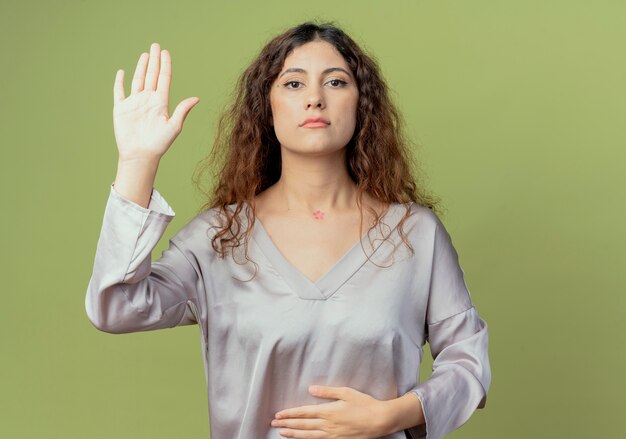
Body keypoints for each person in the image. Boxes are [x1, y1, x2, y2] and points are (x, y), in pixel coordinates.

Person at [85, 22, 491, 439]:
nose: (315, 99)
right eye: (293, 84)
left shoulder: (415, 235)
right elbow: (116, 305)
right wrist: (137, 162)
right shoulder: (219, 238)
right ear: (268, 106)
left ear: (361, 104)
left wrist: (391, 417)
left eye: (336, 82)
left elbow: (468, 361)